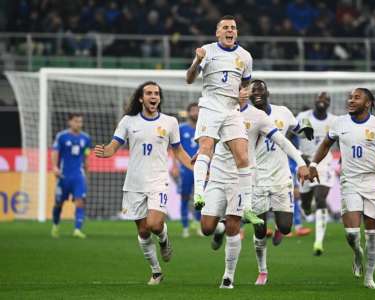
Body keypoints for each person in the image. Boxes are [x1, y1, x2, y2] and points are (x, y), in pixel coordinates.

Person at [200, 80, 311, 289]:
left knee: (246, 224)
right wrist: (202, 156)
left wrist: (302, 163)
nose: (244, 93)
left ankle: (228, 277)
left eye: (245, 89)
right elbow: (207, 140)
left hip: (246, 177)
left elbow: (283, 140)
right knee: (207, 228)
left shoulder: (260, 116)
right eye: (241, 89)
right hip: (219, 175)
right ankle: (218, 228)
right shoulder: (215, 112)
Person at [94, 81, 192, 285]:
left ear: (159, 98)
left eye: (156, 93)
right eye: (149, 93)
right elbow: (114, 146)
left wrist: (196, 166)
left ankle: (164, 239)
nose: (153, 96)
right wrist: (105, 151)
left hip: (158, 181)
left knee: (155, 224)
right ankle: (156, 272)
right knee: (143, 231)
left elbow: (179, 151)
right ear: (141, 98)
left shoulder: (170, 122)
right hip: (134, 183)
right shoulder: (128, 121)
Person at [309, 88, 375, 289]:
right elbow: (325, 146)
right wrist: (314, 165)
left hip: (372, 183)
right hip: (349, 182)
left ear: (367, 103)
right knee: (351, 233)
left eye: (356, 98)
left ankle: (369, 278)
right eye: (350, 97)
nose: (351, 100)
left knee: (372, 234)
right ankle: (357, 253)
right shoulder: (339, 123)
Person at [186, 15, 262, 224]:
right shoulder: (207, 51)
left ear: (236, 32)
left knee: (242, 157)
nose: (230, 31)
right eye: (226, 27)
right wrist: (197, 61)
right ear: (218, 32)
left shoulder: (245, 56)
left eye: (233, 28)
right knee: (206, 147)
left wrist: (243, 94)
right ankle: (200, 193)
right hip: (211, 105)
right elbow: (189, 79)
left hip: (232, 109)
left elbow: (245, 84)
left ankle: (247, 207)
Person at [248, 80, 314, 284]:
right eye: (253, 90)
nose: (257, 92)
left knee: (286, 227)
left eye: (260, 89)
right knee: (259, 229)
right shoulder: (244, 116)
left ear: (268, 92)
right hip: (256, 178)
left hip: (280, 177)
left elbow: (296, 127)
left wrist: (307, 129)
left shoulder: (282, 112)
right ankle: (263, 271)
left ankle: (279, 229)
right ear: (249, 95)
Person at [296, 92, 337, 256]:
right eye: (319, 98)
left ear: (329, 103)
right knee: (306, 204)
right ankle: (306, 208)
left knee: (321, 199)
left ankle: (318, 242)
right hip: (305, 163)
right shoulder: (303, 117)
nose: (322, 101)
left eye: (326, 99)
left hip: (324, 164)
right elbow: (294, 134)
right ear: (314, 100)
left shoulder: (334, 121)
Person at [51, 113, 91, 239]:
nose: (78, 124)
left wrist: (87, 170)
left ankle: (77, 229)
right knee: (59, 203)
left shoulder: (86, 138)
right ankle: (55, 225)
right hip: (63, 176)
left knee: (80, 202)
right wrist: (54, 167)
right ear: (70, 122)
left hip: (78, 176)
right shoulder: (62, 136)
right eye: (76, 121)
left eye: (80, 121)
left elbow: (86, 155)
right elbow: (55, 152)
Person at [177, 102, 201, 238]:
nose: (195, 113)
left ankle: (197, 224)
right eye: (193, 110)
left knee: (200, 198)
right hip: (185, 169)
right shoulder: (181, 128)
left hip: (201, 168)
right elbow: (175, 148)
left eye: (197, 110)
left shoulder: (204, 128)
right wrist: (175, 166)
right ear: (188, 112)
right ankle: (185, 227)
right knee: (184, 198)